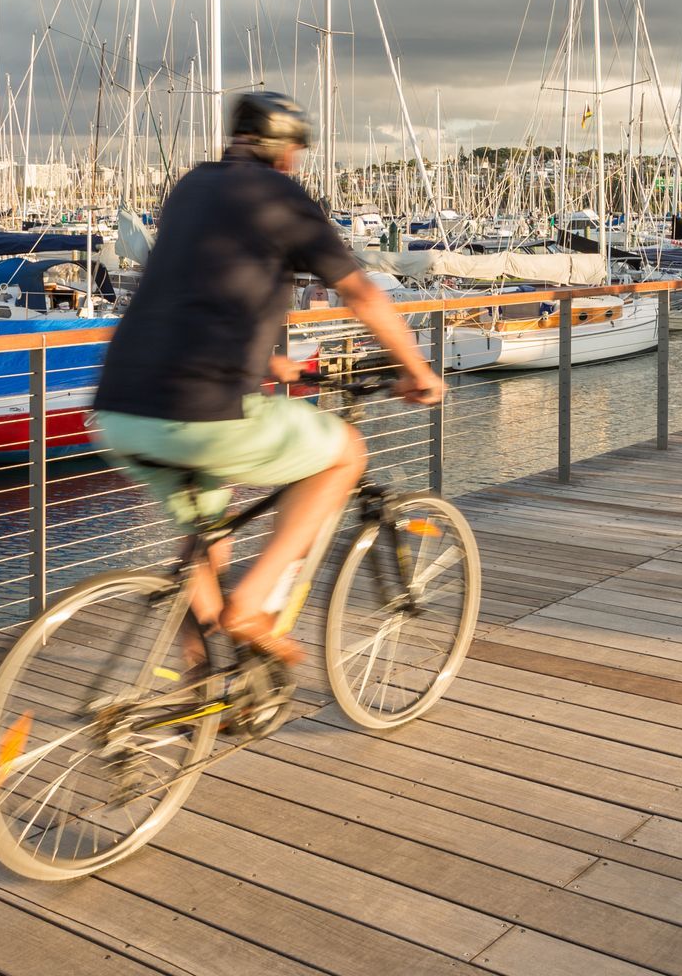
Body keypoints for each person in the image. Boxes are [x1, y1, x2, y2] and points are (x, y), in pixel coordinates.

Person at [93, 90, 444, 669]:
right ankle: (251, 606)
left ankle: (202, 684)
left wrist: (268, 365)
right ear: (284, 150)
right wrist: (417, 369)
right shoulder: (281, 196)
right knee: (344, 455)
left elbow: (201, 289)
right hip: (200, 409)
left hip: (121, 408)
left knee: (208, 537)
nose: (297, 164)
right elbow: (358, 291)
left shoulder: (190, 187)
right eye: (297, 153)